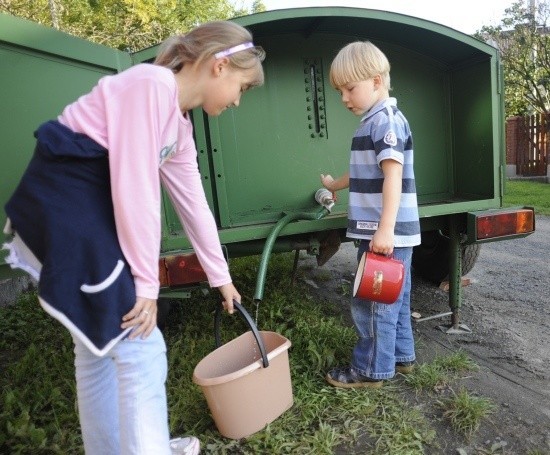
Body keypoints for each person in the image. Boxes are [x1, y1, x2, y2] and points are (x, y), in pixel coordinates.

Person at [2, 20, 265, 454]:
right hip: (66, 202)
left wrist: (221, 277)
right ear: (219, 66)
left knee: (97, 349)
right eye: (243, 86)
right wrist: (146, 284)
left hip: (80, 209)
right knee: (142, 347)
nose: (239, 99)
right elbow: (135, 188)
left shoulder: (178, 126)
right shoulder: (151, 86)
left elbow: (193, 204)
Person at [320, 41, 420, 389]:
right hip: (381, 232)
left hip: (383, 234)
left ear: (376, 81)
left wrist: (384, 230)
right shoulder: (372, 121)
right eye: (339, 91)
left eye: (350, 88)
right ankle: (402, 356)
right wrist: (336, 183)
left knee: (373, 303)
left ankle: (370, 370)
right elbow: (368, 172)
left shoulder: (385, 122)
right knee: (396, 296)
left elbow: (393, 174)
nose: (345, 98)